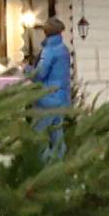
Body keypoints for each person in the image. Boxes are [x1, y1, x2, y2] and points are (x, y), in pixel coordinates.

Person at [29, 16, 73, 155]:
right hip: (61, 98)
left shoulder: (50, 50)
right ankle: (59, 166)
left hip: (47, 99)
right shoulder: (63, 49)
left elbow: (40, 74)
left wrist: (27, 70)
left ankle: (44, 168)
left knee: (37, 136)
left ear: (46, 32)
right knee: (57, 136)